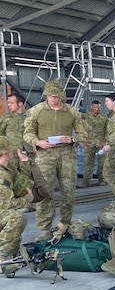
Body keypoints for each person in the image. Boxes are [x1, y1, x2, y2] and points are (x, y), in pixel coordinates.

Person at [23, 80, 87, 241]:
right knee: (44, 192)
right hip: (45, 155)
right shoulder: (36, 111)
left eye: (55, 96)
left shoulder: (73, 112)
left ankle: (64, 223)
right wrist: (37, 142)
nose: (52, 99)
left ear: (61, 96)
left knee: (68, 192)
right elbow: (27, 133)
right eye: (49, 96)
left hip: (67, 155)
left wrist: (72, 140)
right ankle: (44, 228)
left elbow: (84, 134)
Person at [0, 136, 34, 274]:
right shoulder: (2, 175)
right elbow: (7, 205)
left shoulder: (8, 169)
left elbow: (23, 183)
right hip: (3, 208)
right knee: (16, 218)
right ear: (7, 152)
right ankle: (2, 257)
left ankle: (11, 251)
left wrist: (25, 163)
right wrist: (29, 198)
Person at [80, 100, 109, 188]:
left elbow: (108, 130)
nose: (97, 109)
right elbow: (81, 130)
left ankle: (102, 179)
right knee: (88, 163)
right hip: (89, 143)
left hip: (101, 143)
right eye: (95, 107)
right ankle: (86, 181)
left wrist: (106, 141)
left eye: (98, 107)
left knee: (102, 163)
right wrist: (83, 141)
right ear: (91, 107)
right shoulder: (85, 117)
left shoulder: (104, 118)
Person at [0, 93, 31, 170]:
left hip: (29, 153)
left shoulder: (31, 116)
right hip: (12, 154)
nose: (9, 105)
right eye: (8, 103)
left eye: (11, 103)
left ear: (20, 104)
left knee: (31, 176)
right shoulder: (6, 117)